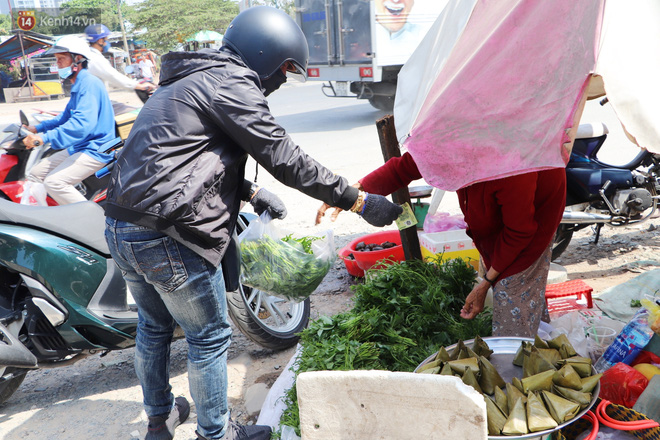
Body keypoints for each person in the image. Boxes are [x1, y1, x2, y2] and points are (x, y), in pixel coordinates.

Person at [103, 6, 402, 440]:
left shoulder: (189, 80)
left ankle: (159, 419)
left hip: (122, 226)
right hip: (168, 235)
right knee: (208, 337)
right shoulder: (230, 82)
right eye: (283, 71)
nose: (280, 83)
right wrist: (356, 200)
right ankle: (217, 433)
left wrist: (248, 192)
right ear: (267, 55)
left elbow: (181, 160)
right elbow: (284, 157)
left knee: (154, 327)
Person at [317, 151, 566, 338]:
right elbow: (402, 168)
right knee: (505, 279)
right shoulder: (447, 145)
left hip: (533, 220)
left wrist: (486, 283)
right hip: (506, 216)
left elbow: (520, 232)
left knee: (514, 287)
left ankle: (522, 365)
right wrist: (351, 193)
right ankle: (537, 331)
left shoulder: (510, 167)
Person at [23, 35, 117, 205]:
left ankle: (92, 222)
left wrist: (44, 138)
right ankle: (49, 217)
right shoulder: (78, 85)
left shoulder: (89, 84)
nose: (57, 63)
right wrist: (37, 129)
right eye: (56, 59)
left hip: (97, 148)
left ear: (78, 59)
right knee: (35, 174)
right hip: (81, 146)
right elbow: (65, 117)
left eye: (62, 58)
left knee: (54, 182)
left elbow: (81, 124)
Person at [84, 24, 155, 93]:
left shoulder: (88, 55)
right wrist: (140, 86)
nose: (107, 42)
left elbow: (110, 80)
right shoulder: (97, 59)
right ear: (100, 41)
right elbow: (114, 76)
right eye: (106, 39)